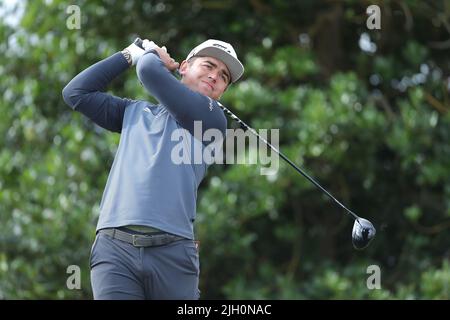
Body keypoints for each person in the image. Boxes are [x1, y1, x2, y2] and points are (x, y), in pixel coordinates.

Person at [62, 37, 244, 299]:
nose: (215, 76)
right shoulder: (132, 112)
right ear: (183, 68)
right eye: (208, 65)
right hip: (115, 252)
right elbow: (75, 93)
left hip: (173, 255)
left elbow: (148, 71)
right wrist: (129, 54)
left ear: (222, 91)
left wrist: (151, 54)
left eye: (224, 76)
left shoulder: (213, 120)